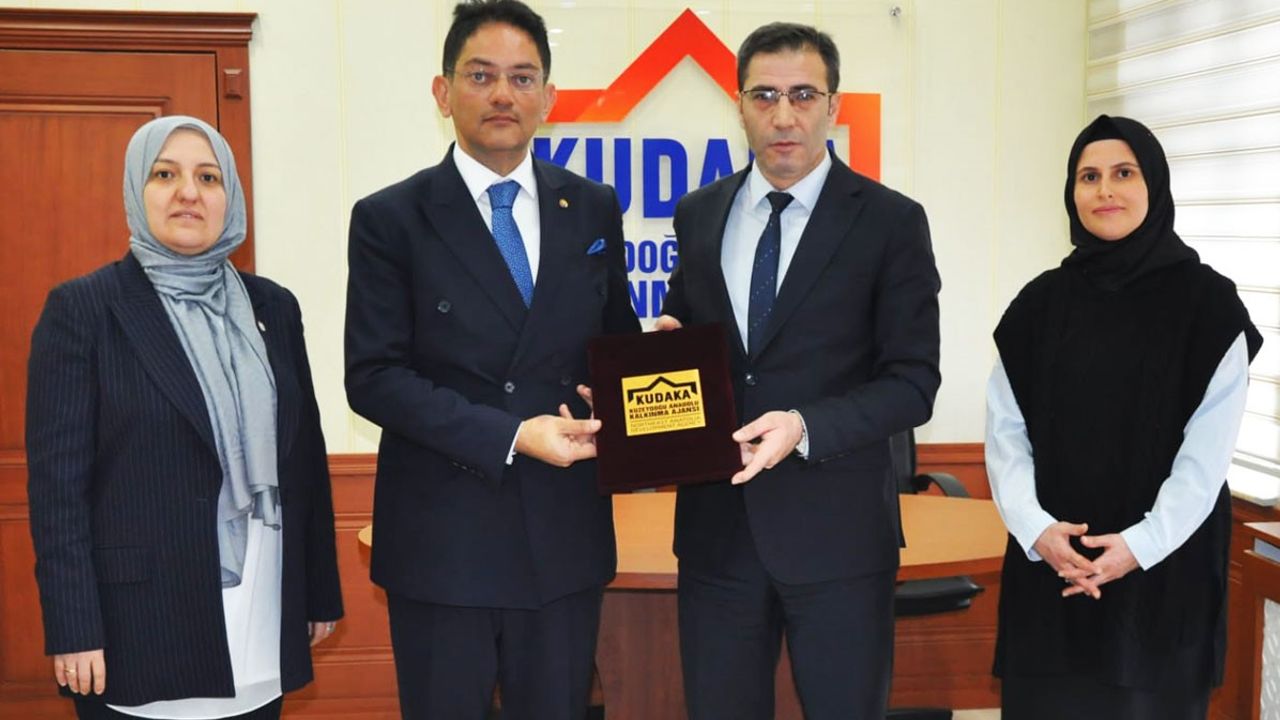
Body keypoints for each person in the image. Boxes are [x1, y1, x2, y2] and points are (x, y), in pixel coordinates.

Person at [343, 1, 639, 717]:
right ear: (443, 92)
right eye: (481, 75)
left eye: (522, 77)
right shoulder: (391, 218)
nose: (503, 94)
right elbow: (373, 378)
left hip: (563, 535)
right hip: (444, 542)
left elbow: (613, 344)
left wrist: (648, 365)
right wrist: (511, 435)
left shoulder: (592, 206)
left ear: (549, 97)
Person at [655, 22, 942, 719]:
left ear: (833, 106)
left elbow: (913, 382)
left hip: (840, 539)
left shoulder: (890, 222)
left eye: (803, 95)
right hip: (717, 535)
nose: (783, 115)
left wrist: (804, 426)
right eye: (764, 95)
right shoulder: (698, 215)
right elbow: (688, 338)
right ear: (740, 105)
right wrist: (656, 359)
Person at [26, 115, 344, 720]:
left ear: (231, 196)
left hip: (263, 609)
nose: (188, 193)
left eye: (208, 177)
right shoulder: (84, 309)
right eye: (165, 175)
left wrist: (319, 591)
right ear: (136, 190)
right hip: (137, 627)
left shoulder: (274, 307)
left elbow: (305, 457)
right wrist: (73, 626)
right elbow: (57, 493)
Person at [986, 114, 1263, 719]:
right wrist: (1037, 530)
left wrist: (1139, 546)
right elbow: (1006, 435)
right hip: (1053, 567)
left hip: (1164, 574)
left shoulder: (1209, 306)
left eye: (1123, 173)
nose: (1104, 190)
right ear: (1071, 191)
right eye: (1089, 176)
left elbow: (1206, 457)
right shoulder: (1039, 304)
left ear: (1154, 185)